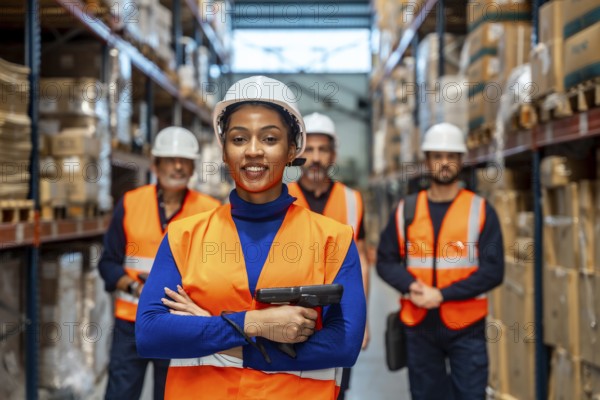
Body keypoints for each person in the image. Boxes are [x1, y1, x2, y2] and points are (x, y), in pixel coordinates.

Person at [135, 76, 367, 400]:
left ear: (291, 150)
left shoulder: (334, 240)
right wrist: (253, 323)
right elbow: (150, 334)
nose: (253, 151)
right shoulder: (183, 237)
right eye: (239, 138)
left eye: (270, 139)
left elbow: (344, 345)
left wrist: (218, 334)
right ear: (225, 151)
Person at [376, 123, 504, 400]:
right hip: (419, 325)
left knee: (471, 395)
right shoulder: (406, 211)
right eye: (437, 156)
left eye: (451, 156)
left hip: (467, 328)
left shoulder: (479, 210)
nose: (444, 163)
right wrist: (411, 286)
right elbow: (384, 261)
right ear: (427, 161)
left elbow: (493, 271)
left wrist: (442, 294)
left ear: (460, 161)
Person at [98, 127, 220, 400]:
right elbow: (108, 263)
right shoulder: (131, 203)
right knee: (120, 393)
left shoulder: (210, 211)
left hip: (180, 325)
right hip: (131, 323)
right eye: (169, 159)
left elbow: (217, 272)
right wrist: (133, 286)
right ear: (155, 164)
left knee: (173, 394)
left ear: (193, 167)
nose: (177, 167)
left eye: (184, 161)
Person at [286, 112, 369, 400]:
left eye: (323, 150)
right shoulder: (281, 197)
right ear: (297, 153)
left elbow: (361, 259)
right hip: (289, 316)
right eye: (309, 149)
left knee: (335, 390)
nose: (316, 158)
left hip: (339, 317)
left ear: (333, 155)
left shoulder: (352, 200)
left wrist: (364, 319)